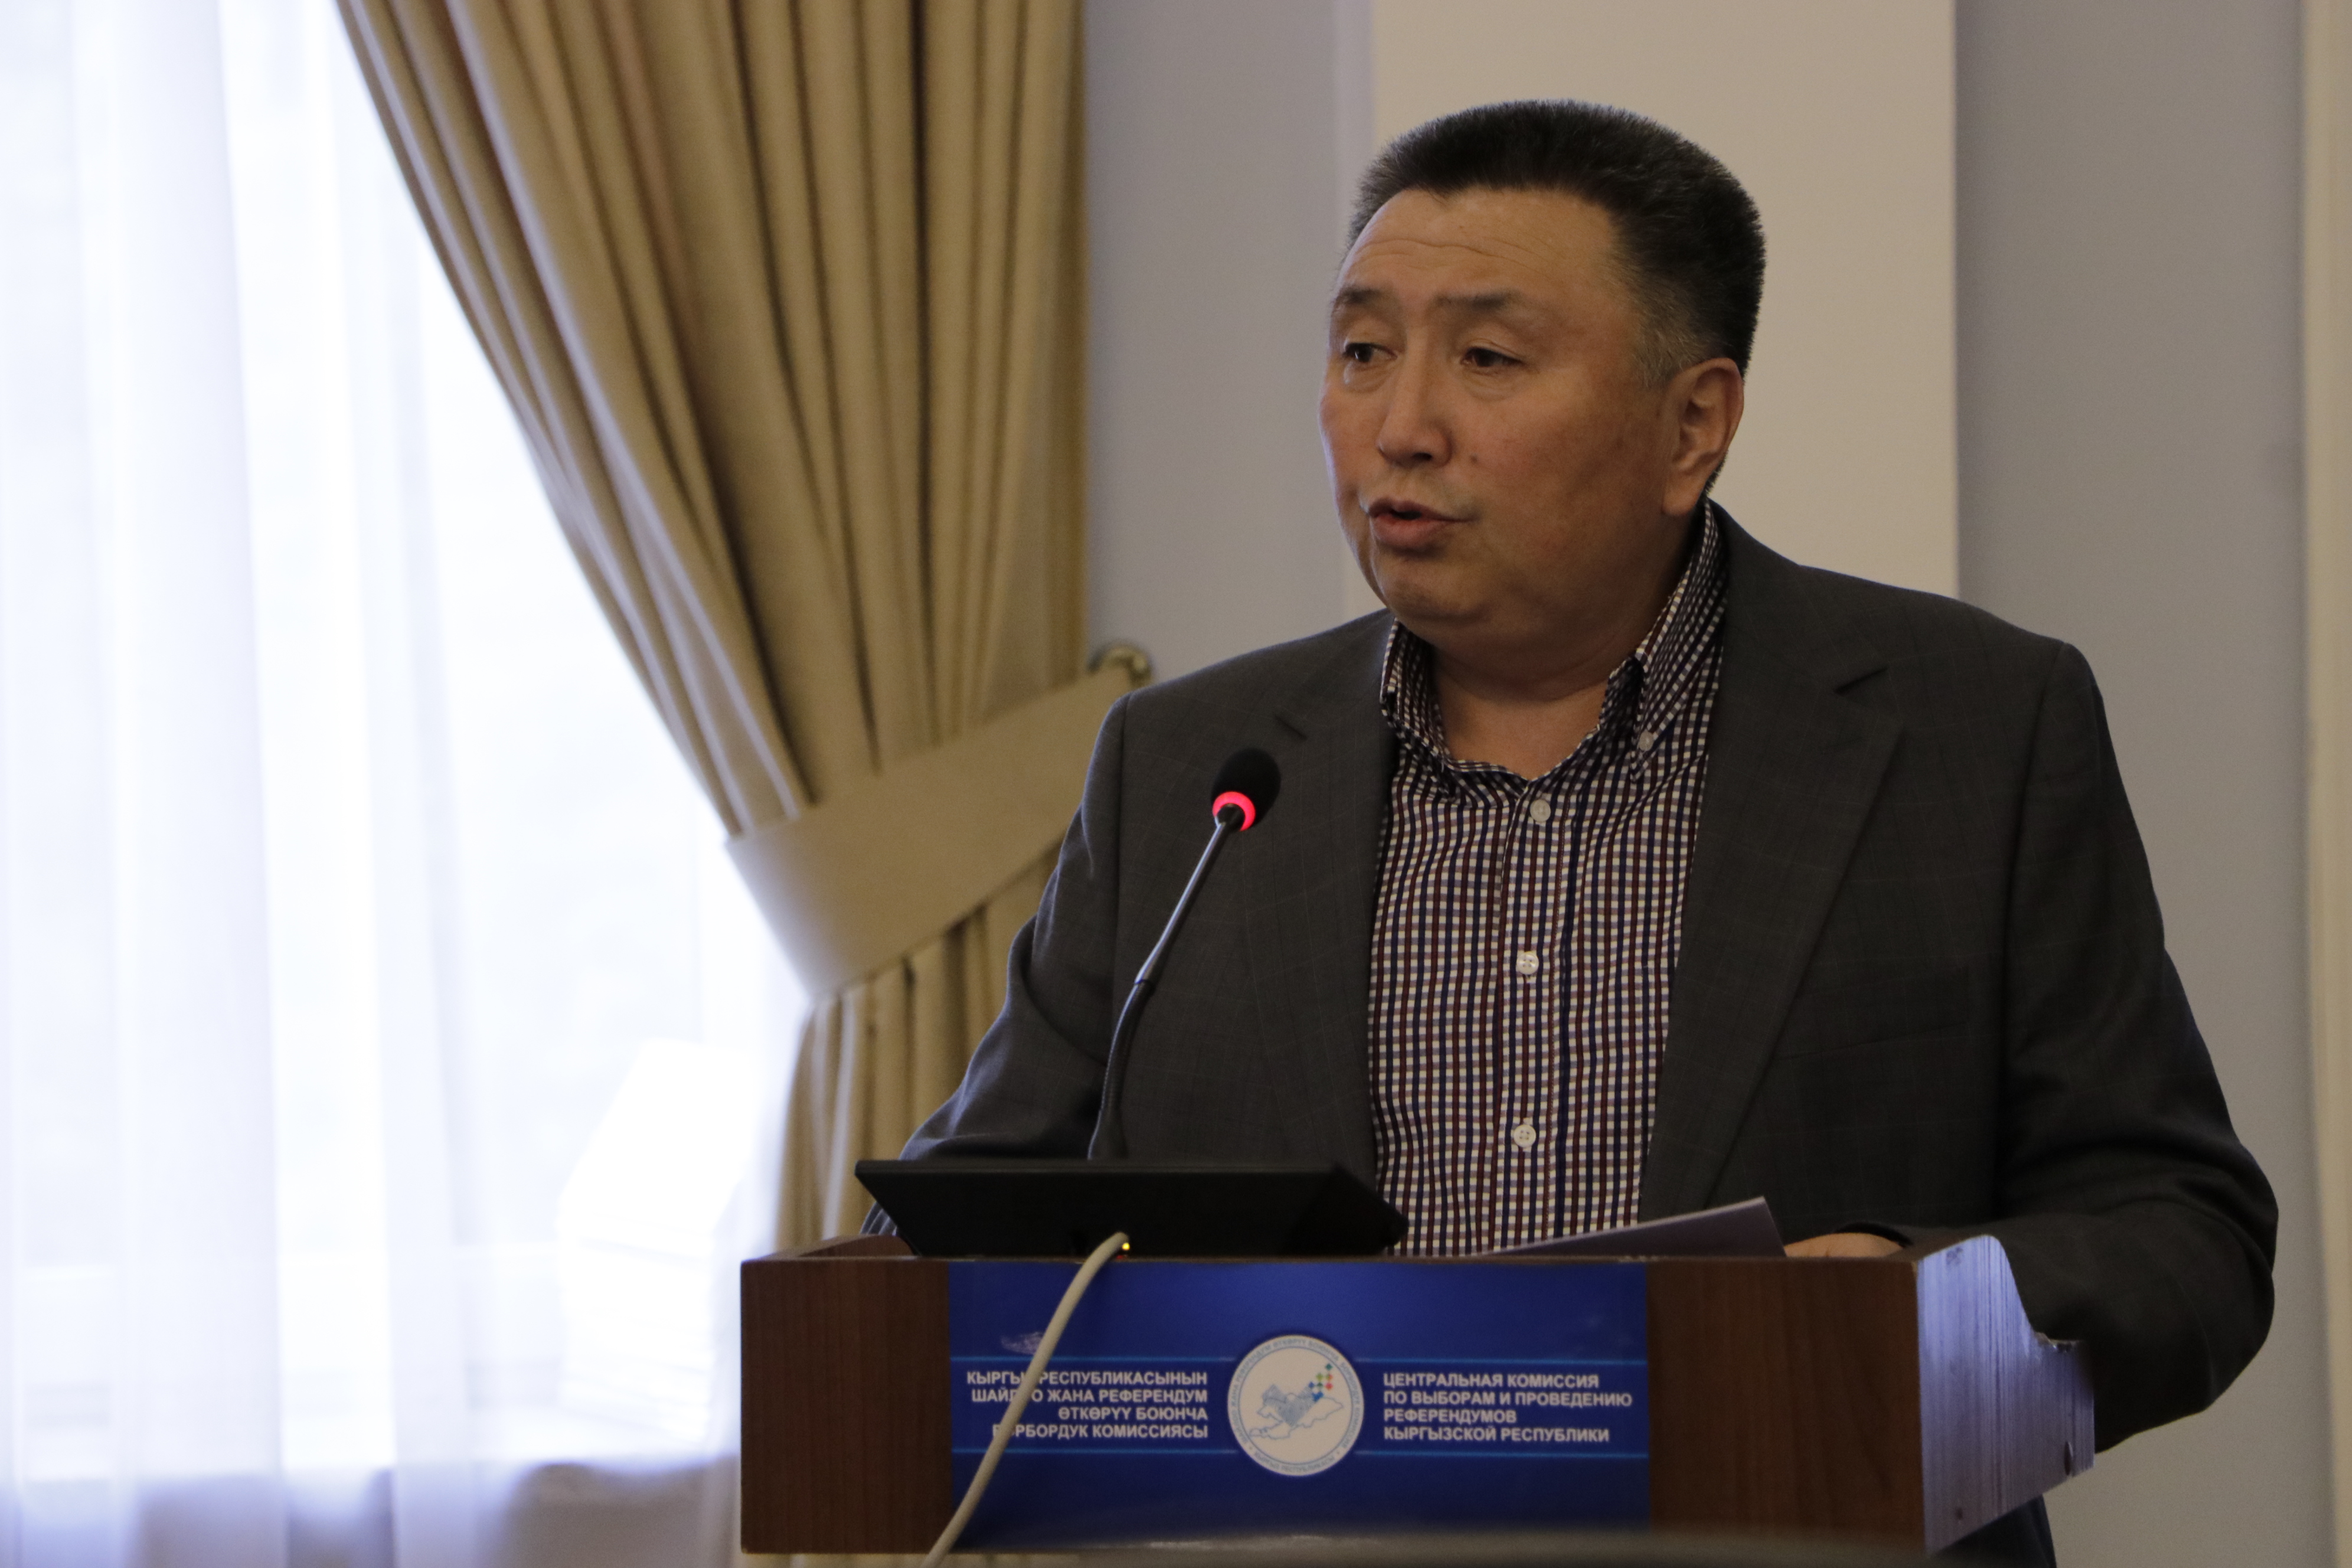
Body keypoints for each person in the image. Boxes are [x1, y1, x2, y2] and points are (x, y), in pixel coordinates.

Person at [891, 100, 2275, 1564]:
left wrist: (1920, 1302)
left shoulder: (1971, 729)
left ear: (1693, 426)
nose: (1401, 426)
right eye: (1363, 351)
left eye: (1487, 358)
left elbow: (2180, 1229)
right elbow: (961, 1232)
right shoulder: (1192, 770)